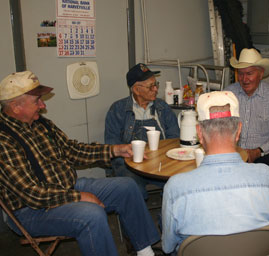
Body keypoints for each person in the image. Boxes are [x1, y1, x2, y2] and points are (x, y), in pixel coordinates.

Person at [0, 71, 160, 256]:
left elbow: (71, 150)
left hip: (67, 187)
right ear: (15, 106)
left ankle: (145, 252)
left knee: (127, 187)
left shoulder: (40, 124)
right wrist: (78, 197)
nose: (43, 106)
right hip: (32, 211)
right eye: (37, 101)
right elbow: (31, 193)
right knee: (91, 215)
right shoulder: (4, 140)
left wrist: (115, 150)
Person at [161, 91, 269, 254]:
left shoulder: (176, 187)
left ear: (199, 133)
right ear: (239, 130)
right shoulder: (268, 176)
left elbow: (168, 246)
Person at [105, 63, 179, 199]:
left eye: (156, 84)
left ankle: (166, 219)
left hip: (161, 164)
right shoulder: (118, 110)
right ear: (136, 90)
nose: (156, 89)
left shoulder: (162, 107)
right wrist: (132, 159)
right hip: (130, 167)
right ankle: (141, 220)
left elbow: (175, 138)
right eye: (151, 86)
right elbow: (112, 144)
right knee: (133, 189)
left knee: (177, 185)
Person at [226, 48, 269, 172]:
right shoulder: (228, 94)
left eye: (249, 73)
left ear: (260, 74)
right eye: (240, 74)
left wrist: (259, 151)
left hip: (263, 155)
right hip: (233, 155)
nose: (244, 79)